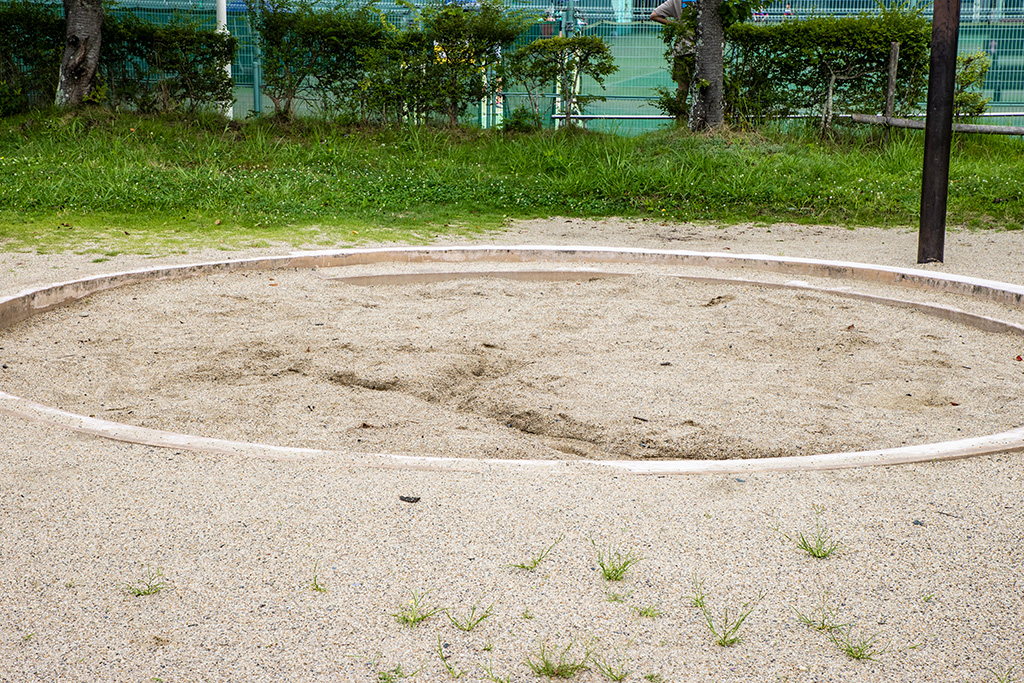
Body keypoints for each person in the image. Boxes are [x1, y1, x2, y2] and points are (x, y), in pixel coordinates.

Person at [650, 0, 696, 120]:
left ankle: (679, 120)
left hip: (683, 49)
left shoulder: (675, 1)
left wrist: (674, 25)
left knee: (682, 88)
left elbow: (654, 15)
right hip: (702, 49)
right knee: (704, 87)